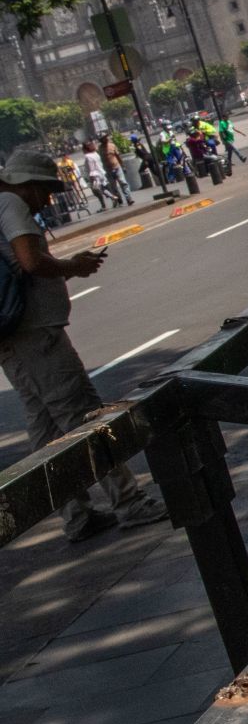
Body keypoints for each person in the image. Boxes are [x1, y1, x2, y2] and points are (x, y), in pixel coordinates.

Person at [0, 149, 171, 541]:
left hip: (14, 336)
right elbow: (30, 260)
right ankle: (129, 502)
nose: (48, 201)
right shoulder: (10, 202)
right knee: (84, 416)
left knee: (45, 430)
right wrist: (72, 266)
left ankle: (75, 513)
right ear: (28, 183)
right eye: (46, 192)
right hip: (35, 334)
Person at [81, 141, 122, 209]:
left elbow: (91, 168)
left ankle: (112, 198)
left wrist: (92, 177)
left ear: (85, 149)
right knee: (102, 188)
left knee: (96, 190)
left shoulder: (88, 156)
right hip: (101, 173)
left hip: (95, 175)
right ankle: (112, 198)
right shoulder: (95, 154)